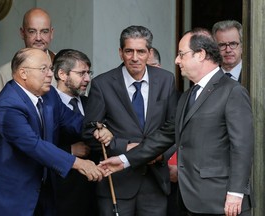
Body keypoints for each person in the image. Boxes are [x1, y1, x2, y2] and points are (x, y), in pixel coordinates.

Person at [100, 28, 254, 216]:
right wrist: (124, 160)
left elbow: (242, 147)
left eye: (182, 54)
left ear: (201, 55)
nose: (177, 60)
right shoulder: (188, 95)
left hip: (222, 202)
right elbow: (164, 136)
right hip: (191, 201)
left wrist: (236, 193)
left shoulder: (232, 91)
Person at [0, 48, 109, 216]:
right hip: (14, 197)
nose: (50, 74)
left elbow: (74, 121)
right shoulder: (7, 105)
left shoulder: (49, 95)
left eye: (50, 68)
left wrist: (99, 130)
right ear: (23, 73)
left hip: (45, 194)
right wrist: (79, 163)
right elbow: (35, 145)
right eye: (43, 69)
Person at [82, 25, 178, 216]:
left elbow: (174, 127)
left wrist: (159, 154)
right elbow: (88, 132)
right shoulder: (102, 84)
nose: (135, 58)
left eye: (141, 51)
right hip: (116, 183)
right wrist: (124, 147)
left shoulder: (166, 79)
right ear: (120, 53)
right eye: (129, 51)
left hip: (155, 182)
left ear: (149, 53)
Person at [53, 49, 99, 216]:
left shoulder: (92, 103)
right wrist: (70, 151)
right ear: (62, 74)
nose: (87, 79)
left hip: (92, 192)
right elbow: (38, 145)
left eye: (88, 73)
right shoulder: (47, 104)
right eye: (81, 73)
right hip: (60, 193)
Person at [146, 47, 180, 216]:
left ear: (158, 68)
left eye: (149, 66)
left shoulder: (180, 98)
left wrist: (177, 166)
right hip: (137, 180)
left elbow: (180, 135)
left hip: (173, 178)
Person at [0, 7, 56, 97]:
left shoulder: (66, 66)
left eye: (44, 32)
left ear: (51, 33)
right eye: (32, 31)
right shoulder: (4, 73)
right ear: (22, 33)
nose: (38, 38)